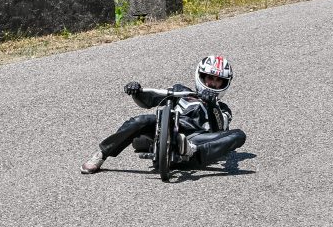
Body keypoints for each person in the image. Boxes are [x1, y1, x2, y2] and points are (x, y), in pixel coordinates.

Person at [80, 55, 247, 174]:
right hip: (171, 128)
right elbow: (149, 100)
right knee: (141, 120)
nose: (213, 83)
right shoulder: (181, 91)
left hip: (197, 141)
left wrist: (211, 105)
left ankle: (190, 150)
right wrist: (136, 92)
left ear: (224, 84)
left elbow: (220, 127)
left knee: (239, 135)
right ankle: (102, 154)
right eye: (210, 78)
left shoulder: (222, 108)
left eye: (218, 81)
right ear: (201, 76)